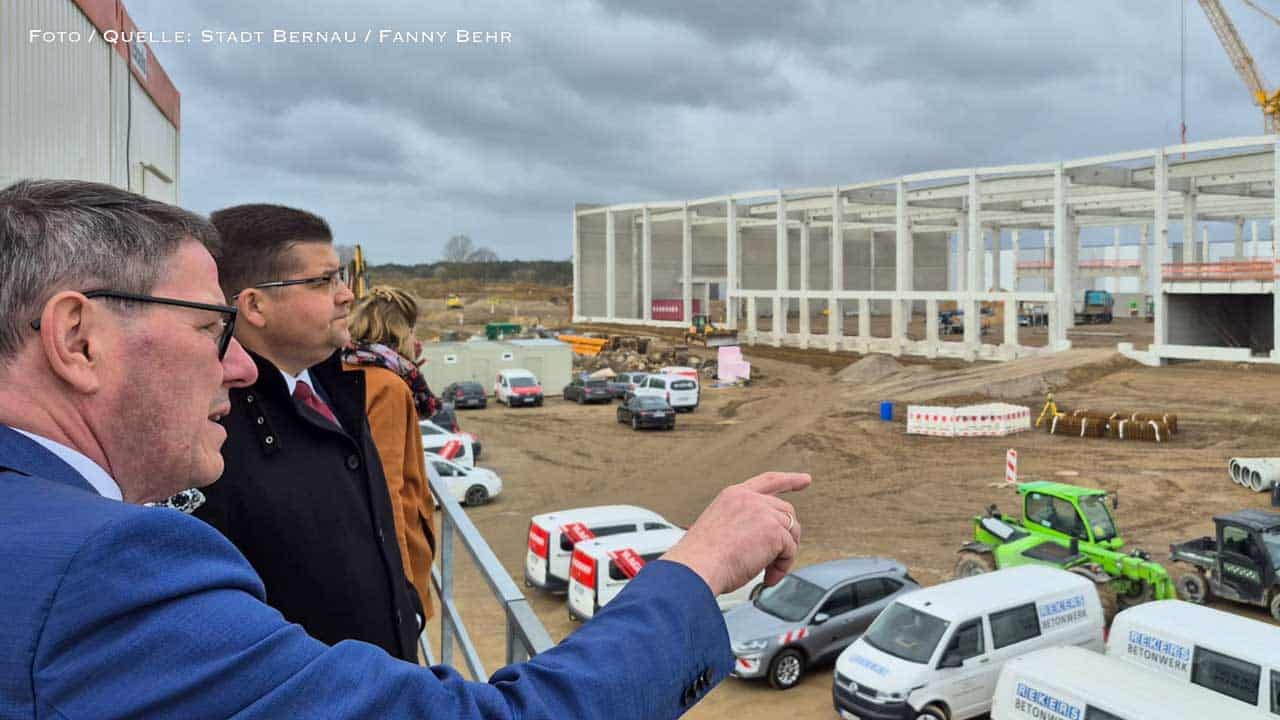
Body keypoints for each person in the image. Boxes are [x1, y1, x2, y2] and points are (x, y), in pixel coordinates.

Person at [0, 179, 810, 719]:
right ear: (78, 338)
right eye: (211, 330)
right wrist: (696, 571)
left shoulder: (352, 391)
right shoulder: (108, 574)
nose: (237, 364)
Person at [192, 204, 422, 661]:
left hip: (385, 681)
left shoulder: (338, 385)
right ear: (254, 305)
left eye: (342, 278)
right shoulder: (208, 430)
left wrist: (406, 606)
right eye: (324, 281)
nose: (347, 296)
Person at [343, 285, 438, 621]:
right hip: (396, 568)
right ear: (400, 332)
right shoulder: (388, 386)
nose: (417, 340)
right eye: (413, 330)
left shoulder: (346, 370)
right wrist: (402, 589)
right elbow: (387, 491)